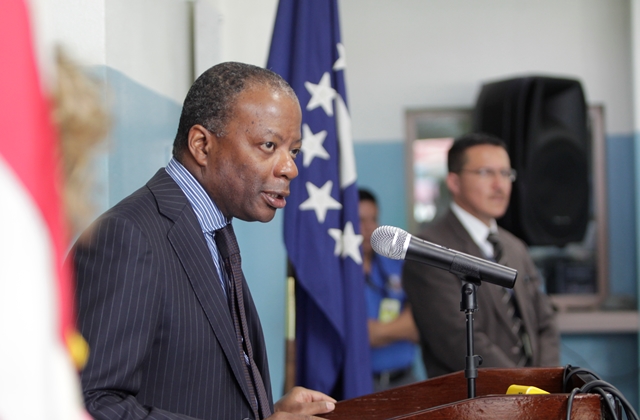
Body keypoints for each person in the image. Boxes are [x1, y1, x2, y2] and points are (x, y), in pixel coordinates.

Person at [72, 62, 336, 420]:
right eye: (269, 145)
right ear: (201, 145)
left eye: (294, 151)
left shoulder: (213, 231)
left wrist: (265, 414)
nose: (289, 168)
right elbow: (91, 402)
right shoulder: (128, 238)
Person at [402, 132, 560, 378]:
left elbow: (545, 322)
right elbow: (456, 340)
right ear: (454, 182)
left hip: (534, 398)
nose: (500, 185)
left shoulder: (514, 246)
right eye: (486, 173)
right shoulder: (430, 250)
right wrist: (523, 387)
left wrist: (544, 382)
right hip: (473, 403)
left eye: (506, 173)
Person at [359, 188, 419, 391]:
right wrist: (399, 328)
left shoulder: (396, 263)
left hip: (406, 379)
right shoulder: (336, 275)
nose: (368, 228)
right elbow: (357, 335)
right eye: (360, 220)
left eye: (373, 219)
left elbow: (419, 324)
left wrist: (378, 332)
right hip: (361, 385)